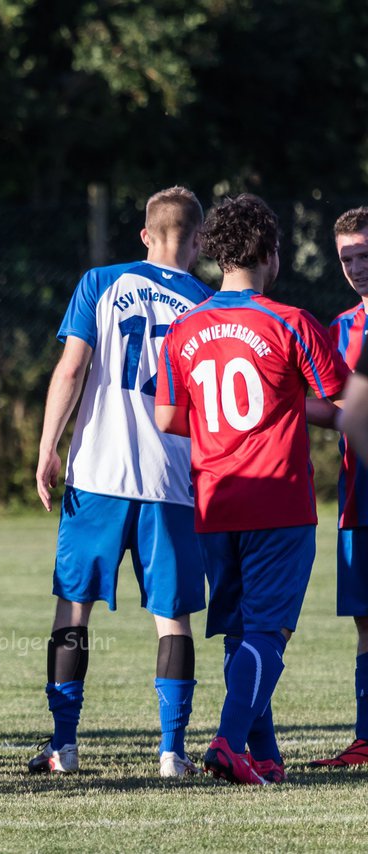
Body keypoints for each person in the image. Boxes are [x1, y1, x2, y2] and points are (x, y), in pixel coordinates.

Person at [155, 193, 348, 784]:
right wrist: (287, 406)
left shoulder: (185, 327)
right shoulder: (290, 321)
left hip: (214, 499)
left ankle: (263, 755)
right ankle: (230, 742)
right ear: (271, 253)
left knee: (242, 630)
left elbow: (167, 418)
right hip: (277, 499)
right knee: (270, 629)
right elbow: (344, 403)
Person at [31, 187, 212, 778]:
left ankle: (65, 745)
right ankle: (172, 751)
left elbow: (72, 367)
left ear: (144, 235)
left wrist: (48, 446)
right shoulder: (209, 306)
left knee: (73, 608)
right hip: (172, 479)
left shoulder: (100, 282)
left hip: (99, 474)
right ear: (199, 240)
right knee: (173, 617)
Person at [309, 206, 368, 769]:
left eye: (365, 255)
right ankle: (366, 738)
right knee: (365, 621)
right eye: (347, 258)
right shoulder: (337, 329)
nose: (356, 267)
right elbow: (331, 409)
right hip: (360, 499)